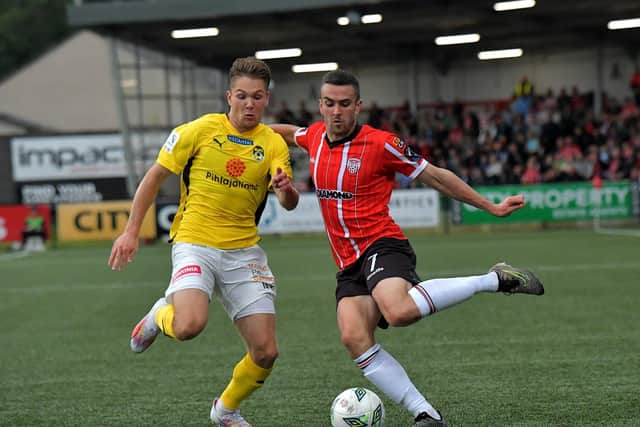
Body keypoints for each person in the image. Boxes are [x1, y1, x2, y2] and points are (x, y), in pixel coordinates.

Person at [270, 69, 544, 427]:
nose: (336, 112)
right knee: (354, 337)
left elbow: (435, 175)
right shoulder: (315, 137)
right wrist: (236, 129)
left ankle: (493, 279)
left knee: (398, 311)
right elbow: (286, 132)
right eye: (329, 103)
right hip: (347, 262)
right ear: (320, 105)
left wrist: (489, 206)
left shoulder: (382, 143)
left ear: (359, 106)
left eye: (345, 104)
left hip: (383, 244)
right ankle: (426, 414)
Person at [108, 57, 299, 427]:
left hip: (245, 252)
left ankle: (225, 410)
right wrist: (131, 231)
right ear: (229, 96)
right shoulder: (198, 131)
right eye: (242, 95)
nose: (249, 104)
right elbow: (154, 177)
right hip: (194, 241)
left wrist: (286, 190)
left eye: (257, 97)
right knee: (188, 326)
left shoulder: (273, 144)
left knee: (266, 352)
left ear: (266, 101)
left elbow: (288, 203)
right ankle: (157, 316)